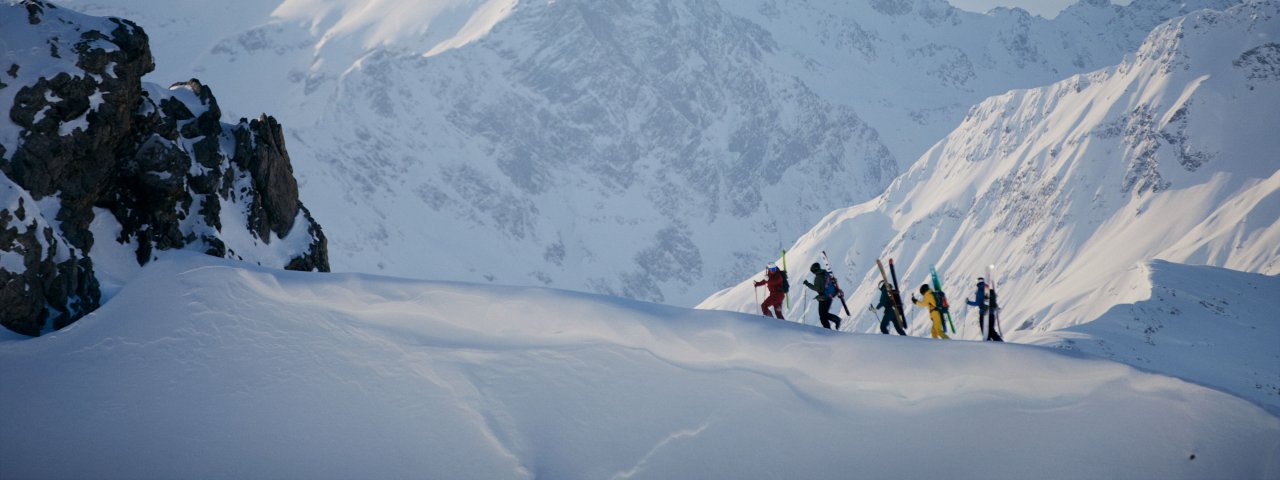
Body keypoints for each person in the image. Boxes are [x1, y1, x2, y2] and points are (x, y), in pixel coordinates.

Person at [802, 262, 842, 330]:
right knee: (824, 315)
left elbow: (817, 288)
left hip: (824, 298)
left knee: (822, 316)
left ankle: (831, 327)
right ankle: (831, 326)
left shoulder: (818, 277)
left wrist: (808, 284)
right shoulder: (825, 274)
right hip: (830, 297)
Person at [965, 277, 1002, 342]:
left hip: (983, 314)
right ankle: (999, 342)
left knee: (984, 331)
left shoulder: (980, 290)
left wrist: (968, 302)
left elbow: (977, 303)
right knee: (991, 330)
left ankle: (988, 343)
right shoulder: (988, 289)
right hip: (991, 314)